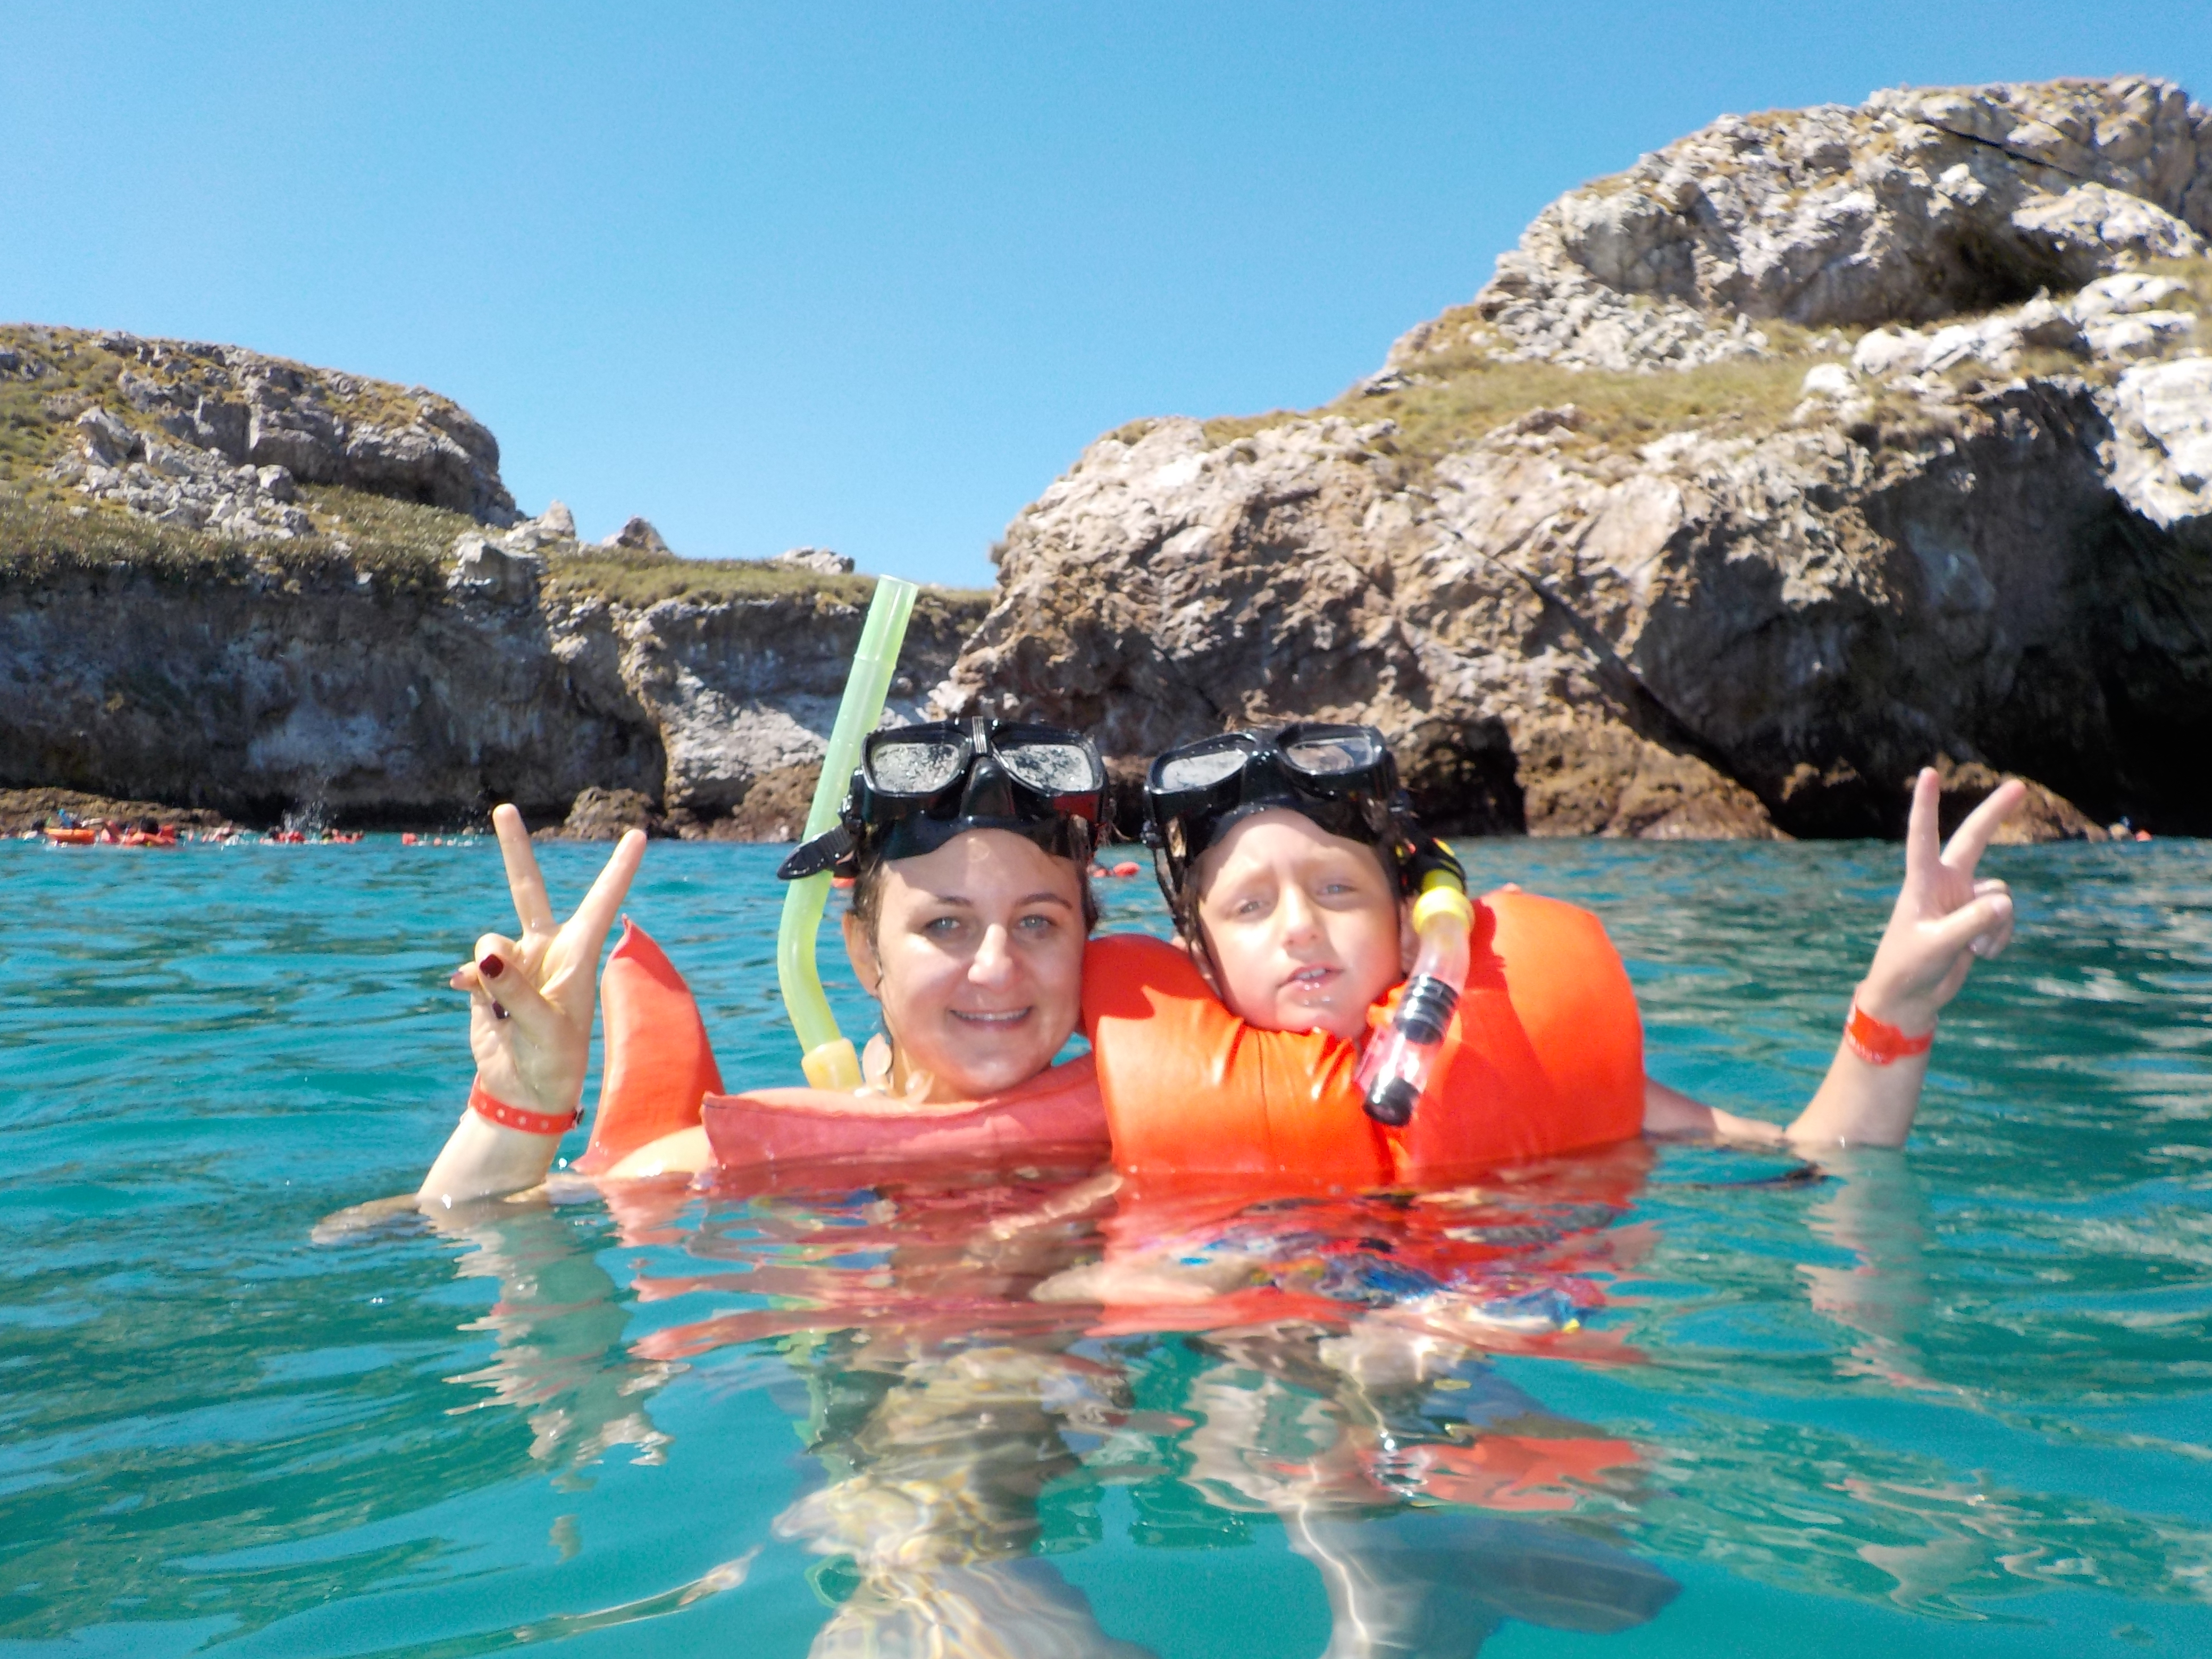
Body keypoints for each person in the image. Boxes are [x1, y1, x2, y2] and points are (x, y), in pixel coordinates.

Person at [1085, 723, 2023, 1174]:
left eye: (1338, 889)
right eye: (1250, 906)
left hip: (1498, 1325)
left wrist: (1893, 1007)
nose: (1300, 926)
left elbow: (1821, 1155)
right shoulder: (1124, 1111)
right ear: (1197, 954)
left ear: (1413, 922)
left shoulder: (1522, 1054)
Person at [416, 717, 1111, 1209]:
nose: (996, 967)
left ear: (1086, 943)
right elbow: (417, 1235)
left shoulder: (1160, 1129)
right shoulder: (777, 1164)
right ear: (865, 955)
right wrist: (517, 1114)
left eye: (1037, 923)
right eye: (946, 923)